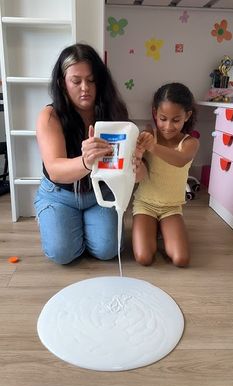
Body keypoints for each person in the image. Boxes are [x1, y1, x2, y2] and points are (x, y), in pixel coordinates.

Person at [34, 43, 129, 265]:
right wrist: (85, 162)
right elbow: (55, 170)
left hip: (99, 194)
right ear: (62, 83)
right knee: (62, 253)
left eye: (91, 79)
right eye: (76, 81)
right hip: (60, 194)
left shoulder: (115, 111)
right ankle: (52, 214)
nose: (85, 87)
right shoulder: (49, 116)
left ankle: (80, 224)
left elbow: (133, 171)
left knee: (108, 250)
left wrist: (137, 158)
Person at [132, 82, 199, 267]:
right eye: (163, 118)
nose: (168, 126)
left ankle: (162, 228)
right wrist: (137, 155)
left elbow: (180, 159)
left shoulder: (190, 143)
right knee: (144, 258)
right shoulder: (148, 134)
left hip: (172, 208)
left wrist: (153, 147)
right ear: (155, 113)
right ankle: (155, 228)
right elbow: (139, 170)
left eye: (176, 120)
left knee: (181, 260)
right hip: (145, 204)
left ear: (187, 116)